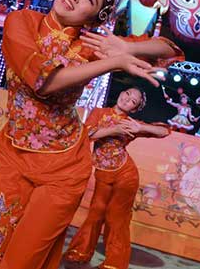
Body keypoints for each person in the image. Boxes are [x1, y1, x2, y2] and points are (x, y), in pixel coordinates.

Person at [0, 0, 183, 269]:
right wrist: (114, 61)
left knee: (24, 258)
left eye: (89, 0)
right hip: (15, 155)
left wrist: (128, 48)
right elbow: (44, 82)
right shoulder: (22, 21)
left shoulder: (91, 43)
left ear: (91, 20)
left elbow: (172, 50)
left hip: (65, 168)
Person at [63, 87, 170, 269]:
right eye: (127, 93)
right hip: (104, 174)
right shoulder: (100, 113)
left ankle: (114, 264)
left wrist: (141, 127)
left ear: (134, 109)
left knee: (116, 218)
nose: (127, 99)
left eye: (133, 101)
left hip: (125, 175)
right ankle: (80, 252)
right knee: (95, 213)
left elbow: (165, 131)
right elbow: (86, 134)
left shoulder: (130, 123)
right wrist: (113, 129)